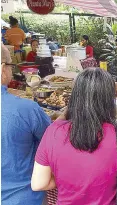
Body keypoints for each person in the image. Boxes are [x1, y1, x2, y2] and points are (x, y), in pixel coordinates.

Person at [31, 68, 117, 205]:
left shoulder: (53, 132)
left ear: (75, 97)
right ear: (109, 100)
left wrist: (63, 181)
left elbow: (38, 184)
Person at [1, 42, 51, 205]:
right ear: (2, 68)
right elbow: (52, 140)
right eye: (10, 65)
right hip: (24, 197)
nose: (11, 70)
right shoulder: (25, 109)